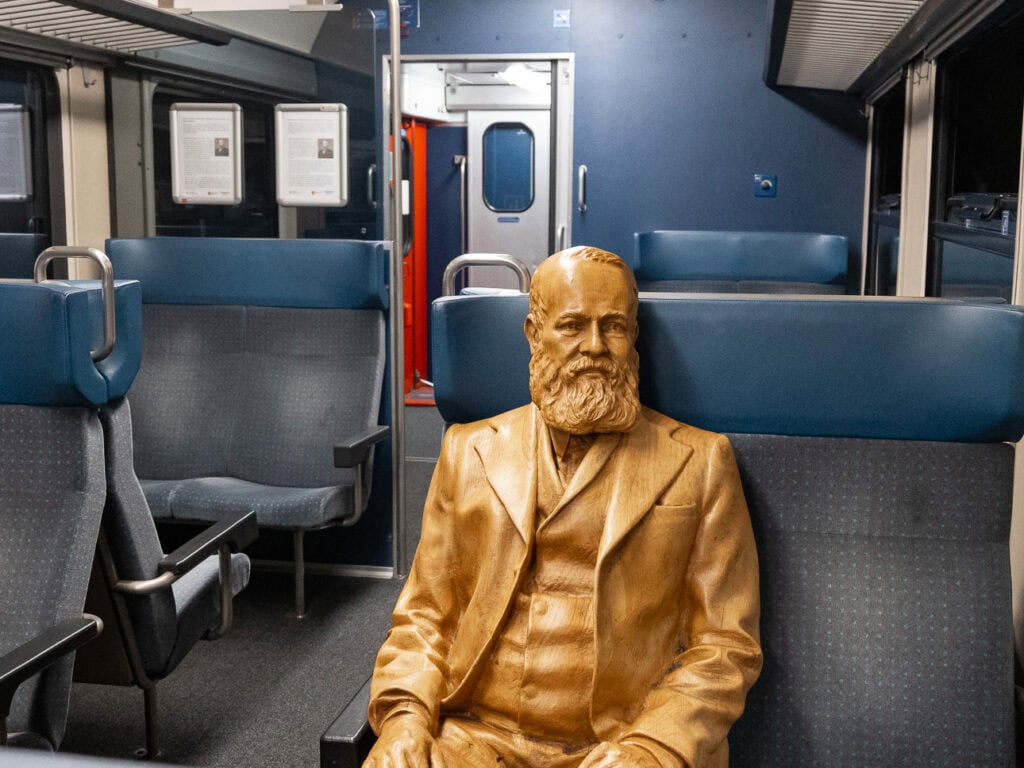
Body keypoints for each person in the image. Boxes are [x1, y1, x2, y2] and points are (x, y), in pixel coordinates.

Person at [365, 246, 761, 768]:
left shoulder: (702, 461)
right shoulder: (468, 451)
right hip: (475, 735)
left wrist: (652, 747)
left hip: (622, 743)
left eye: (613, 327)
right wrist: (404, 718)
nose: (595, 346)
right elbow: (425, 617)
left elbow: (725, 645)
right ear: (534, 334)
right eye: (572, 326)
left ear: (633, 335)